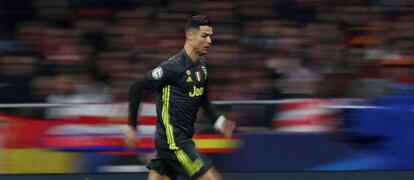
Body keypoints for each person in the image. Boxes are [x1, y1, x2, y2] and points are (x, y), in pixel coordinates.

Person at [124, 15, 235, 180]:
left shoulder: (202, 66)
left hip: (177, 141)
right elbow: (136, 87)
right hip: (174, 143)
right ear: (190, 35)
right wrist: (132, 127)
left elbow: (203, 99)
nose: (209, 41)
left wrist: (219, 121)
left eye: (211, 36)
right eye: (205, 36)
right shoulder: (173, 67)